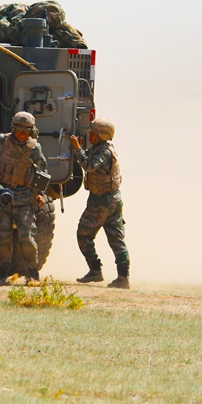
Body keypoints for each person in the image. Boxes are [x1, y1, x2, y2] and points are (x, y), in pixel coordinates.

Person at [0, 111, 49, 284]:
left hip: (24, 199)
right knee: (3, 238)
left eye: (26, 130)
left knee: (26, 237)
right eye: (19, 128)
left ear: (32, 130)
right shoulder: (2, 141)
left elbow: (42, 172)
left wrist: (41, 194)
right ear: (13, 127)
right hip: (3, 196)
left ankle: (33, 274)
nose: (22, 132)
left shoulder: (34, 148)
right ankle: (1, 274)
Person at [70, 118, 130, 289]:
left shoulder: (103, 152)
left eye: (93, 133)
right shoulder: (103, 149)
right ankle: (123, 277)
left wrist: (77, 148)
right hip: (113, 200)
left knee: (84, 234)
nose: (90, 134)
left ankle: (95, 271)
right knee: (116, 239)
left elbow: (89, 165)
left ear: (100, 135)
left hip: (102, 201)